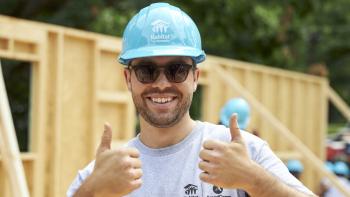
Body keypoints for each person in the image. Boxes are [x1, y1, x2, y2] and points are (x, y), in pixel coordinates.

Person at [67, 3, 315, 197]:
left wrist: (253, 180)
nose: (162, 83)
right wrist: (91, 192)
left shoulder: (241, 154)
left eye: (177, 70)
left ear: (195, 77)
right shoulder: (102, 176)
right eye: (146, 70)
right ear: (128, 78)